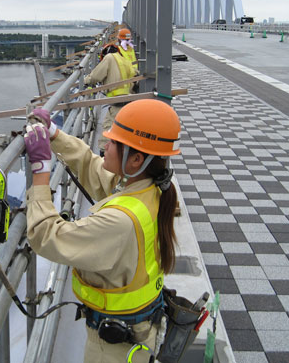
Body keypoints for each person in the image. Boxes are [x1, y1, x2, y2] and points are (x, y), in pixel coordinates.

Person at [24, 99, 181, 363]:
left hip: (113, 349)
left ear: (136, 160)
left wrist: (41, 172)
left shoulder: (119, 222)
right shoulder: (150, 190)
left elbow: (44, 235)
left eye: (113, 143)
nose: (105, 146)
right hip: (138, 331)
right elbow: (92, 166)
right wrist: (55, 135)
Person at [84, 43, 136, 153]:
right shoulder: (124, 60)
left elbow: (95, 76)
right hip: (128, 98)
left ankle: (105, 156)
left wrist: (86, 80)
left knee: (108, 128)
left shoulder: (109, 58)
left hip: (117, 99)